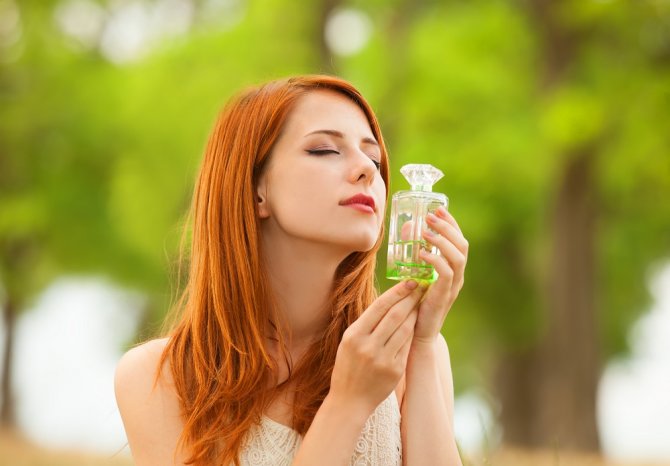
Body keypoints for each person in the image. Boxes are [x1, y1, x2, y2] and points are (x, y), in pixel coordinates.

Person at [114, 75, 468, 466]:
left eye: (375, 159)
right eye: (324, 150)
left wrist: (421, 344)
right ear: (255, 189)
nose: (367, 170)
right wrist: (347, 403)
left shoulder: (415, 352)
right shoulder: (159, 378)